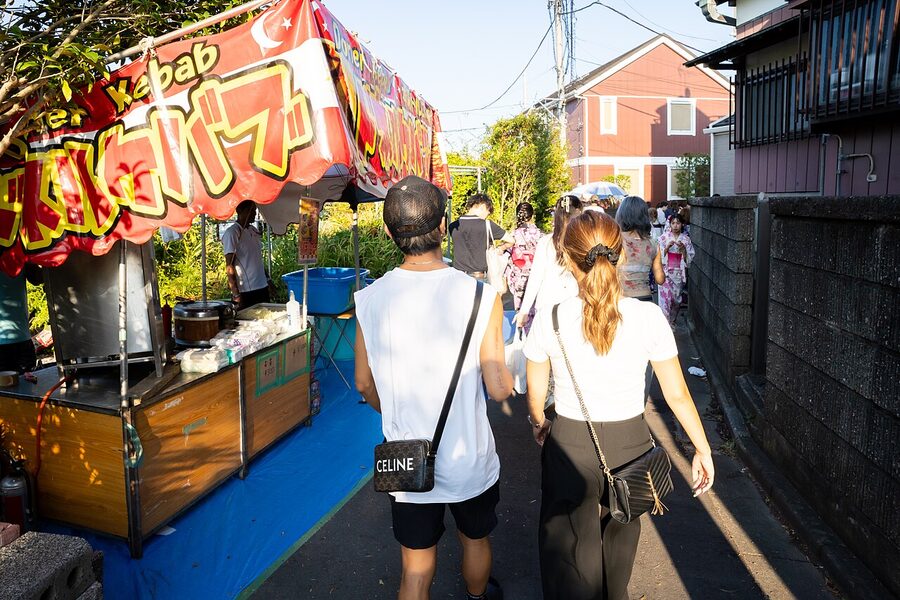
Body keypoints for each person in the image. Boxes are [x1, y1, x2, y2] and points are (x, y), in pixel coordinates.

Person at [522, 210, 714, 600]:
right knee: (623, 532)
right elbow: (676, 393)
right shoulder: (648, 317)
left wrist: (539, 422)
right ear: (621, 255)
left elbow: (536, 390)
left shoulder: (552, 318)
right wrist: (702, 448)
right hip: (632, 442)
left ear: (567, 258)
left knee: (571, 547)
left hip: (571, 441)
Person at [354, 176, 513, 600]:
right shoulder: (482, 298)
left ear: (388, 232)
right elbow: (498, 388)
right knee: (475, 540)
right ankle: (478, 596)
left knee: (416, 567)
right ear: (444, 225)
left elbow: (364, 383)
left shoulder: (368, 299)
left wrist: (395, 413)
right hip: (468, 457)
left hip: (406, 460)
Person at [514, 195, 583, 329]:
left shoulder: (546, 242)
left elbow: (535, 279)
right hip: (575, 304)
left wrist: (524, 310)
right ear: (579, 213)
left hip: (547, 306)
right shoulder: (583, 242)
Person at [222, 200, 271, 310]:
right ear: (240, 211)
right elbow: (229, 265)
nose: (254, 213)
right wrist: (236, 294)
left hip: (262, 286)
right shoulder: (232, 233)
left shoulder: (253, 230)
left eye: (254, 210)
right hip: (247, 290)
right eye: (250, 211)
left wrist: (268, 280)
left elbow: (257, 259)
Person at [615, 196, 664, 302]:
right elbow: (660, 279)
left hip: (620, 298)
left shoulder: (615, 240)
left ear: (621, 215)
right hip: (645, 299)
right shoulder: (653, 243)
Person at [448, 194, 506, 279]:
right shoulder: (488, 225)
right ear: (482, 206)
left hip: (458, 276)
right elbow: (511, 240)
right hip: (479, 276)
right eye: (488, 211)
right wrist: (501, 248)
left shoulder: (453, 226)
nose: (487, 215)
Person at [0, 264, 42, 373]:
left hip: (21, 340)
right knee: (26, 387)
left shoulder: (20, 257)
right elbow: (38, 278)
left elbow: (38, 278)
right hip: (21, 339)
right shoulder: (20, 256)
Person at [502, 202, 542, 311]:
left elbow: (507, 254)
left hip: (518, 272)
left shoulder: (513, 235)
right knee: (534, 305)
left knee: (519, 307)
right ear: (532, 215)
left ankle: (520, 326)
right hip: (536, 272)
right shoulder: (540, 235)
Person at [657, 214, 694, 326]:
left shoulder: (686, 239)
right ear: (670, 224)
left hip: (678, 272)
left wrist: (683, 251)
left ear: (682, 224)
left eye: (678, 223)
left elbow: (690, 257)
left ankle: (672, 320)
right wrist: (666, 249)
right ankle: (665, 324)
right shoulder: (663, 238)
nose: (675, 226)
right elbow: (657, 255)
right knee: (665, 300)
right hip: (665, 272)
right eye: (673, 223)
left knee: (676, 300)